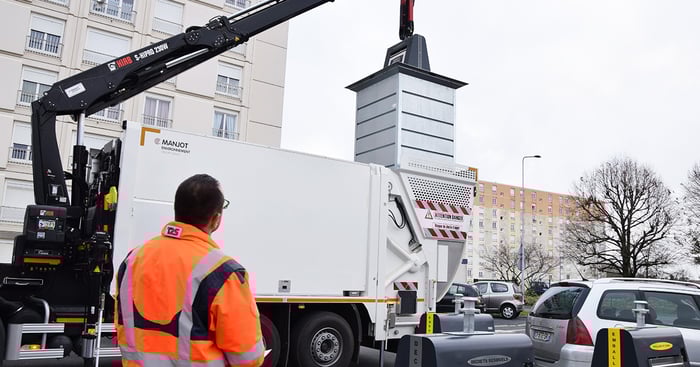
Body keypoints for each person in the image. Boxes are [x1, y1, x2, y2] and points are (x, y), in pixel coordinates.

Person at [114, 174, 265, 367]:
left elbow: (123, 326)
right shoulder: (223, 271)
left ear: (177, 210)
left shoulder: (133, 259)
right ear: (216, 219)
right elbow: (248, 359)